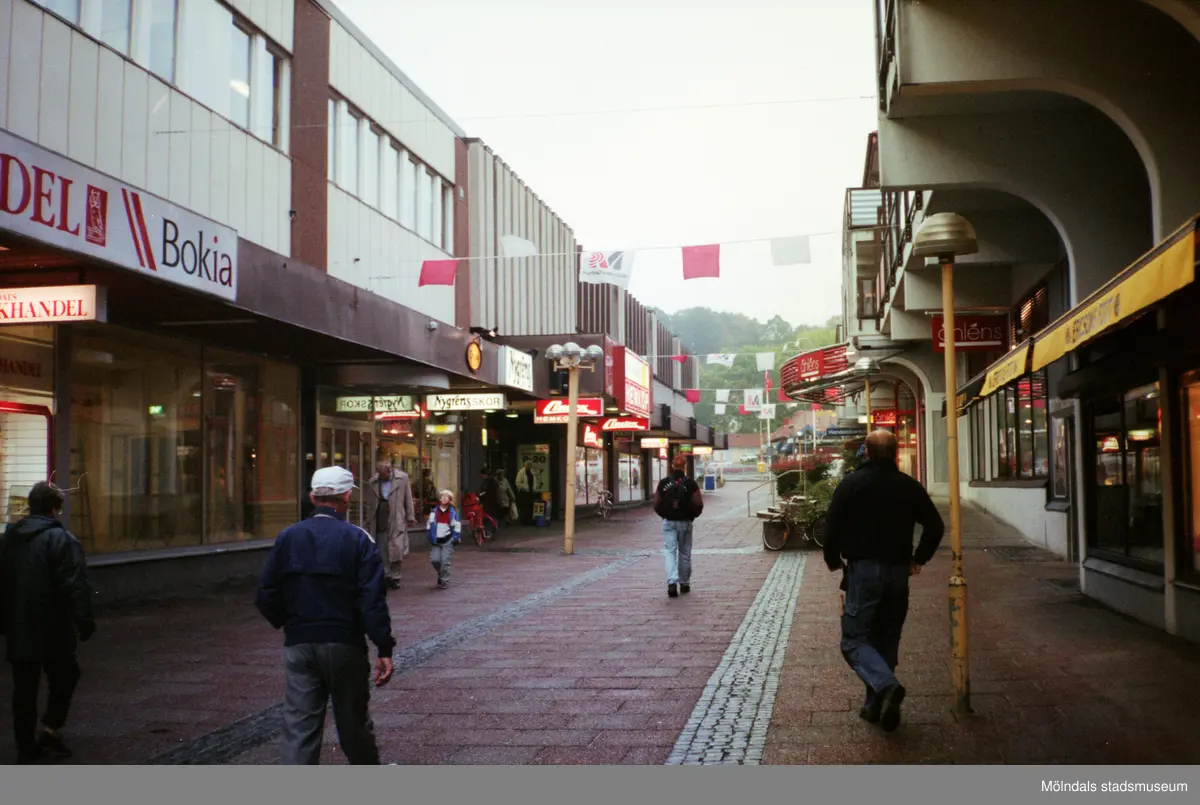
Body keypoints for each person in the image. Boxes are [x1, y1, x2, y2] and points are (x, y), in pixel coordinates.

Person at [256, 466, 395, 765]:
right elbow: (372, 600)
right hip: (345, 643)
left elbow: (266, 593)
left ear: (312, 497)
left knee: (299, 726)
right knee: (353, 722)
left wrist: (289, 621)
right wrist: (383, 646)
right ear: (346, 497)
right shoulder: (358, 539)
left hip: (300, 642)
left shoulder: (288, 537)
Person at [822, 430, 944, 733]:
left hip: (864, 571)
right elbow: (935, 525)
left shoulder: (850, 485)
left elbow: (831, 526)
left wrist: (833, 559)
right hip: (898, 572)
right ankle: (875, 705)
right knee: (887, 639)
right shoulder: (909, 486)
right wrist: (919, 558)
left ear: (866, 452)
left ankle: (887, 687)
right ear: (895, 453)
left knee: (854, 640)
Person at [0, 482, 95, 764]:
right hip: (53, 624)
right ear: (56, 508)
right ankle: (50, 728)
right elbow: (74, 585)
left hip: (19, 624)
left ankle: (25, 748)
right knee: (66, 676)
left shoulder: (9, 538)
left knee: (24, 689)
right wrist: (84, 621)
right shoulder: (62, 539)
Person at [653, 455, 704, 598]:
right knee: (684, 553)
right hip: (685, 522)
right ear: (685, 466)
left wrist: (665, 514)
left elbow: (656, 503)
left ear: (672, 466)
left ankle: (671, 582)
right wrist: (691, 516)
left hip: (669, 522)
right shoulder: (690, 484)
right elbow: (699, 504)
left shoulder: (664, 483)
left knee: (670, 552)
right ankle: (685, 583)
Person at [363, 461, 416, 589]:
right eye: (380, 475)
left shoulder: (402, 478)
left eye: (384, 475)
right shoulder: (373, 481)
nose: (382, 477)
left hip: (396, 516)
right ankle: (386, 574)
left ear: (390, 471)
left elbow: (408, 499)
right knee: (382, 547)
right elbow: (370, 503)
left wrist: (410, 516)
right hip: (380, 515)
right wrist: (368, 520)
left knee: (396, 547)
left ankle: (396, 575)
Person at [426, 490, 462, 589]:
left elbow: (457, 525)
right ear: (440, 499)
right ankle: (441, 574)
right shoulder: (434, 512)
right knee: (435, 560)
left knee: (445, 561)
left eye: (447, 497)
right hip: (436, 540)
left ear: (450, 500)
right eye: (442, 496)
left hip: (448, 540)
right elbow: (429, 524)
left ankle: (444, 580)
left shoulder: (453, 512)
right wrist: (429, 535)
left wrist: (455, 537)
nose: (444, 498)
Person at [479, 467, 503, 537]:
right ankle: (494, 530)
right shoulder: (494, 481)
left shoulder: (487, 482)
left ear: (485, 474)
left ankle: (489, 532)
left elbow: (485, 492)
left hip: (489, 502)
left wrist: (480, 495)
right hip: (494, 502)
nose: (481, 476)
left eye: (482, 474)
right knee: (493, 517)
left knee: (488, 517)